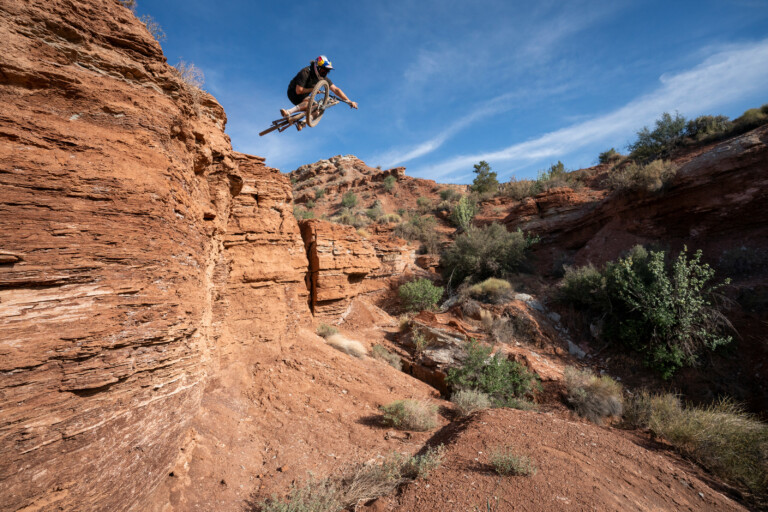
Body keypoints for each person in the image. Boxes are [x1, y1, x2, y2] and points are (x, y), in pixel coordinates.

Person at [280, 55, 358, 131]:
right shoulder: (305, 72)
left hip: (303, 96)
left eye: (328, 71)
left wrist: (349, 101)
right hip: (293, 93)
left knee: (320, 108)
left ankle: (303, 122)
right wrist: (313, 90)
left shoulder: (323, 78)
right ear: (317, 67)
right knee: (311, 101)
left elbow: (336, 89)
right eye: (324, 70)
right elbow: (299, 91)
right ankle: (288, 112)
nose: (325, 73)